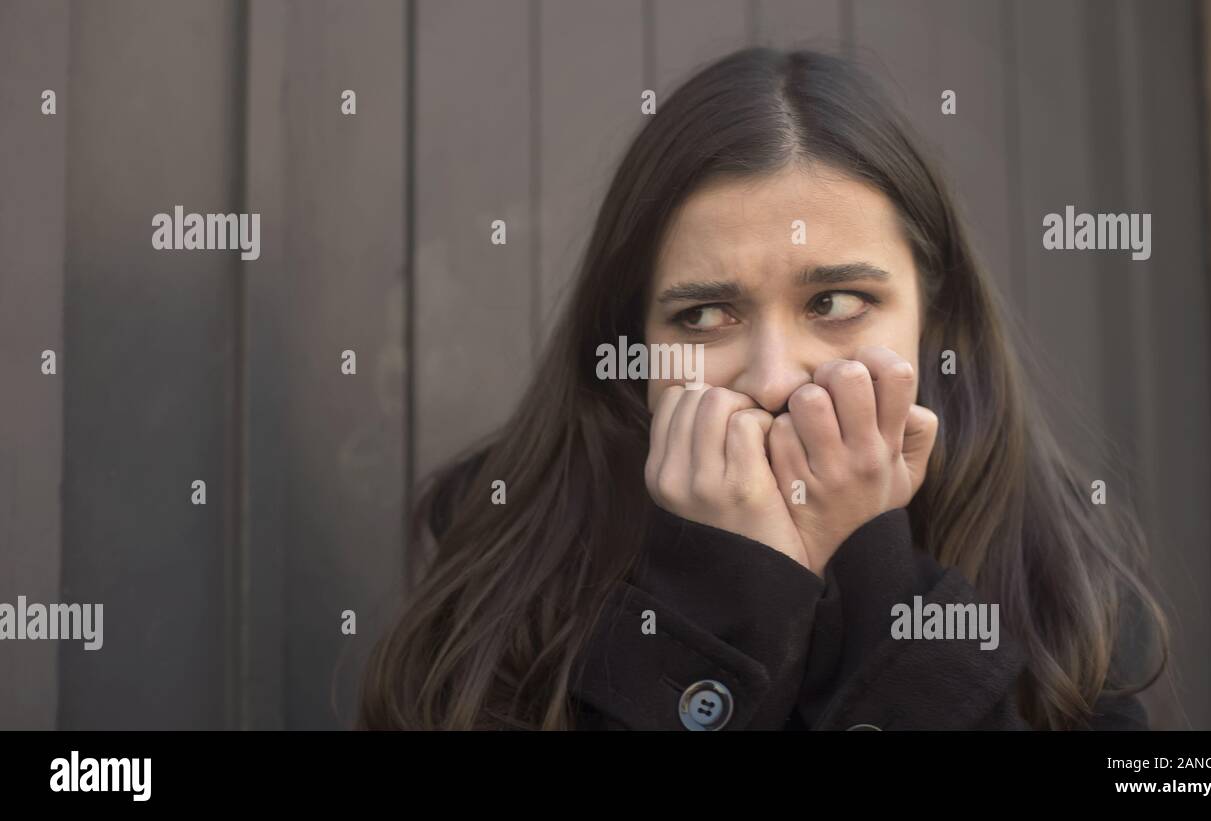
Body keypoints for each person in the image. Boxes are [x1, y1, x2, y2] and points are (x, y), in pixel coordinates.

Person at [358, 47, 1167, 731]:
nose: (776, 375)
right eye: (705, 314)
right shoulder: (508, 559)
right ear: (635, 343)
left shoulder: (1053, 566)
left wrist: (876, 574)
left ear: (933, 315)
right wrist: (720, 599)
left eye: (837, 303)